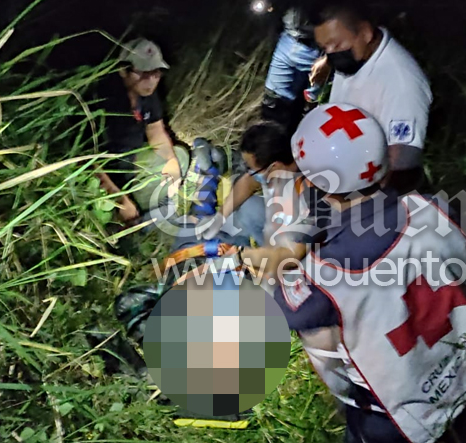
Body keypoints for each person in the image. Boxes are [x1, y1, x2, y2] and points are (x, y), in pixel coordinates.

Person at [268, 103, 466, 443]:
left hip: (393, 413)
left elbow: (285, 309)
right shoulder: (434, 207)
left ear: (314, 185)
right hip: (462, 370)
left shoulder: (324, 274)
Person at [308, 0, 433, 195]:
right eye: (324, 48)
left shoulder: (401, 83)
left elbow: (402, 167)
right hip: (338, 183)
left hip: (368, 198)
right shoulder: (356, 56)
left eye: (336, 45)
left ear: (365, 33)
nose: (331, 54)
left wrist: (356, 204)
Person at [193, 122, 329, 275]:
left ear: (275, 166)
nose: (250, 172)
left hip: (299, 258)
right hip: (280, 226)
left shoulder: (312, 199)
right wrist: (220, 217)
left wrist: (241, 258)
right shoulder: (282, 161)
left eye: (252, 169)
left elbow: (293, 255)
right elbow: (249, 182)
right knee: (248, 210)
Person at [96, 38, 190, 223]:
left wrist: (172, 164)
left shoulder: (147, 95)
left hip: (134, 164)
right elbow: (87, 160)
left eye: (156, 73)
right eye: (143, 73)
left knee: (180, 155)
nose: (150, 81)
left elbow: (156, 132)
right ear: (123, 71)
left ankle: (145, 205)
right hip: (108, 175)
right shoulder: (103, 101)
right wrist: (120, 200)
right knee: (110, 212)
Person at [260, 6, 325, 132]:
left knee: (310, 106)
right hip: (289, 40)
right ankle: (271, 137)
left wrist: (328, 57)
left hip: (320, 47)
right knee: (272, 101)